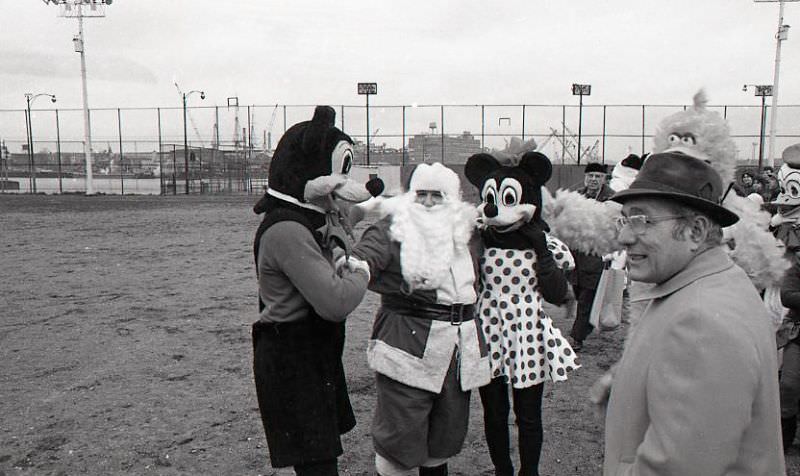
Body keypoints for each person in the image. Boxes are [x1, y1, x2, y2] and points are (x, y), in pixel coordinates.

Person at [602, 151, 785, 474]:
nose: (625, 236)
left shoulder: (701, 320)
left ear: (696, 231)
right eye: (625, 219)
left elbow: (679, 467)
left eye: (642, 220)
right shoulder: (708, 287)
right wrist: (632, 385)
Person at [251, 106, 378, 476]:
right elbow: (334, 302)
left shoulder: (307, 217)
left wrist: (382, 207)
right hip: (293, 359)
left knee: (321, 459)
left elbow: (344, 217)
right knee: (318, 467)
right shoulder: (286, 231)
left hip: (312, 353)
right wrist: (362, 267)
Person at [351, 162, 491, 476]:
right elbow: (368, 254)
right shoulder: (394, 227)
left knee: (443, 436)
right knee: (400, 438)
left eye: (437, 196)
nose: (427, 203)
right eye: (421, 194)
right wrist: (358, 266)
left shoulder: (468, 232)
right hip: (408, 342)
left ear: (452, 200)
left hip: (457, 348)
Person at [569, 162, 614, 351]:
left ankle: (577, 337)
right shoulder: (577, 196)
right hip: (576, 253)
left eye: (598, 176)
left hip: (598, 253)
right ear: (585, 177)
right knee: (580, 292)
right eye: (591, 176)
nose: (594, 179)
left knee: (588, 294)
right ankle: (584, 326)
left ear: (604, 178)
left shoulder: (612, 199)